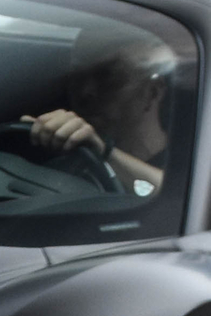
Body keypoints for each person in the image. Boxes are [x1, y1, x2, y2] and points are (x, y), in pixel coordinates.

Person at [22, 36, 180, 200]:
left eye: (108, 76)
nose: (85, 91)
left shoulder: (195, 158)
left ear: (152, 92)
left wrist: (104, 151)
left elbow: (179, 196)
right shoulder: (66, 155)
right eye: (77, 76)